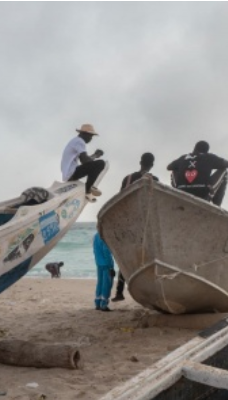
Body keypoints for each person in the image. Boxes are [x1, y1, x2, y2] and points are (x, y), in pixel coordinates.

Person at [111, 152, 160, 302]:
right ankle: (152, 293)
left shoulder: (128, 178)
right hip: (145, 224)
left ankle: (119, 292)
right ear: (152, 164)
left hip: (128, 222)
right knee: (150, 258)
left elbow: (121, 198)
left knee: (127, 258)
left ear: (140, 162)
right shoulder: (154, 179)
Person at [167, 141, 228, 206]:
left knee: (174, 170)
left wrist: (185, 166)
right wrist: (211, 164)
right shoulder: (209, 157)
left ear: (194, 148)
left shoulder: (183, 157)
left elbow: (169, 167)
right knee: (224, 172)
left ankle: (176, 190)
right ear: (207, 151)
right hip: (202, 194)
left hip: (182, 190)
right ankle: (216, 204)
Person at [61, 123, 107, 201]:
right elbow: (85, 161)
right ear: (84, 134)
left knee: (95, 165)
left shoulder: (75, 141)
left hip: (68, 173)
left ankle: (89, 186)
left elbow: (85, 161)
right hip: (71, 173)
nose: (91, 139)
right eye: (90, 136)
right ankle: (88, 189)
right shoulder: (79, 142)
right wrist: (96, 155)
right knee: (100, 163)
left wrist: (95, 155)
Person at [93, 232, 115, 311]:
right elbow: (107, 252)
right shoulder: (104, 236)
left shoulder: (95, 236)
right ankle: (104, 304)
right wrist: (111, 267)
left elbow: (95, 250)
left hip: (99, 263)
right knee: (107, 284)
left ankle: (97, 303)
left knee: (100, 283)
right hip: (106, 264)